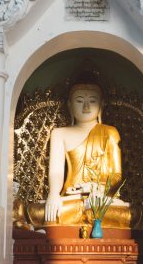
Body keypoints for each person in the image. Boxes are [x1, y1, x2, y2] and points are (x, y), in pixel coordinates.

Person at [26, 67, 134, 229]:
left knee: (131, 215)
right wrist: (53, 195)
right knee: (36, 212)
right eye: (79, 101)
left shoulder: (110, 132)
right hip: (71, 198)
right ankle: (82, 215)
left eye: (92, 101)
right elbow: (56, 172)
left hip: (101, 198)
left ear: (101, 105)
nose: (85, 107)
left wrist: (99, 189)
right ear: (69, 105)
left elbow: (116, 175)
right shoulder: (60, 133)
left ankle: (84, 214)